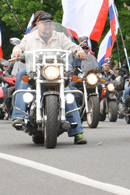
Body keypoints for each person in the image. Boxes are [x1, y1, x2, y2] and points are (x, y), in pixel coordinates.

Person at [10, 11, 88, 144]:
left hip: (57, 73)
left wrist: (79, 52)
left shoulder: (61, 36)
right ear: (38, 24)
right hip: (35, 73)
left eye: (50, 23)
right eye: (44, 23)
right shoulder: (29, 37)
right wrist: (16, 51)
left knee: (68, 94)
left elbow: (73, 46)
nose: (47, 26)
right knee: (23, 80)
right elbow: (20, 46)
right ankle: (18, 117)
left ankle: (78, 133)